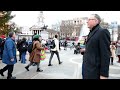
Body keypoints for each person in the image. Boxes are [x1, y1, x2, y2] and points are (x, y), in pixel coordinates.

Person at [80, 14, 111, 79]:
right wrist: (85, 50)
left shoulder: (102, 32)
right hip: (87, 70)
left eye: (89, 20)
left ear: (96, 21)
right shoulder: (90, 32)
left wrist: (104, 75)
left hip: (94, 72)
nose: (87, 21)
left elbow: (105, 55)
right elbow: (94, 49)